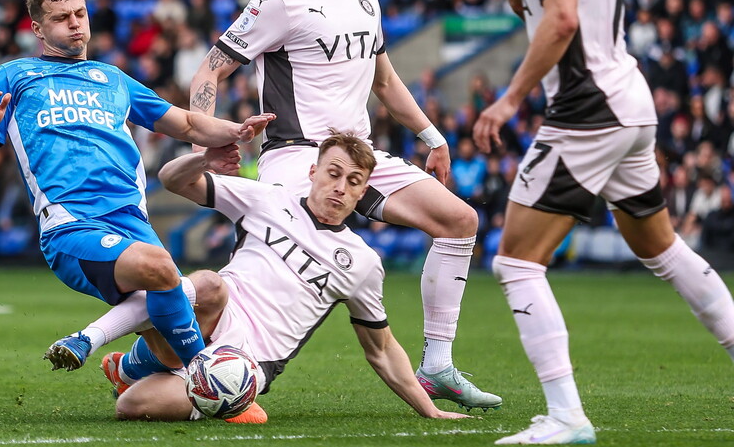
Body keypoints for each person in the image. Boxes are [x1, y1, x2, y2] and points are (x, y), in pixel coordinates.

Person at [473, 0, 734, 446]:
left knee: (516, 262)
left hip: (588, 114)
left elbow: (562, 22)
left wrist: (507, 101)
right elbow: (569, 12)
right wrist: (519, 0)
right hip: (630, 101)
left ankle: (565, 414)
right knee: (663, 250)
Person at [188, 0, 501, 410]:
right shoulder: (276, 1)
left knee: (461, 221)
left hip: (359, 158)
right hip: (297, 158)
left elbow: (385, 81)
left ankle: (438, 365)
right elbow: (211, 69)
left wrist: (433, 136)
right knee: (276, 277)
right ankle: (199, 366)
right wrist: (208, 137)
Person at [0, 0, 273, 375]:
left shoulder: (113, 79)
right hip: (72, 224)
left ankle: (125, 370)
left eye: (79, 13)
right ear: (38, 30)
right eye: (61, 18)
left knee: (200, 306)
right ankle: (205, 373)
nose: (75, 23)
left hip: (131, 222)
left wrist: (236, 130)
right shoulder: (15, 76)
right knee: (161, 270)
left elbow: (189, 125)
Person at [76, 132, 472, 423]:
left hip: (246, 364)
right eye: (333, 174)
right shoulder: (268, 199)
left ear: (363, 190)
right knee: (207, 285)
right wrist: (204, 160)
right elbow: (172, 179)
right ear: (314, 171)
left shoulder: (363, 262)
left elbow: (381, 349)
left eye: (353, 182)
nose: (340, 187)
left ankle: (139, 371)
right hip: (209, 317)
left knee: (129, 406)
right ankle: (130, 361)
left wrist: (430, 410)